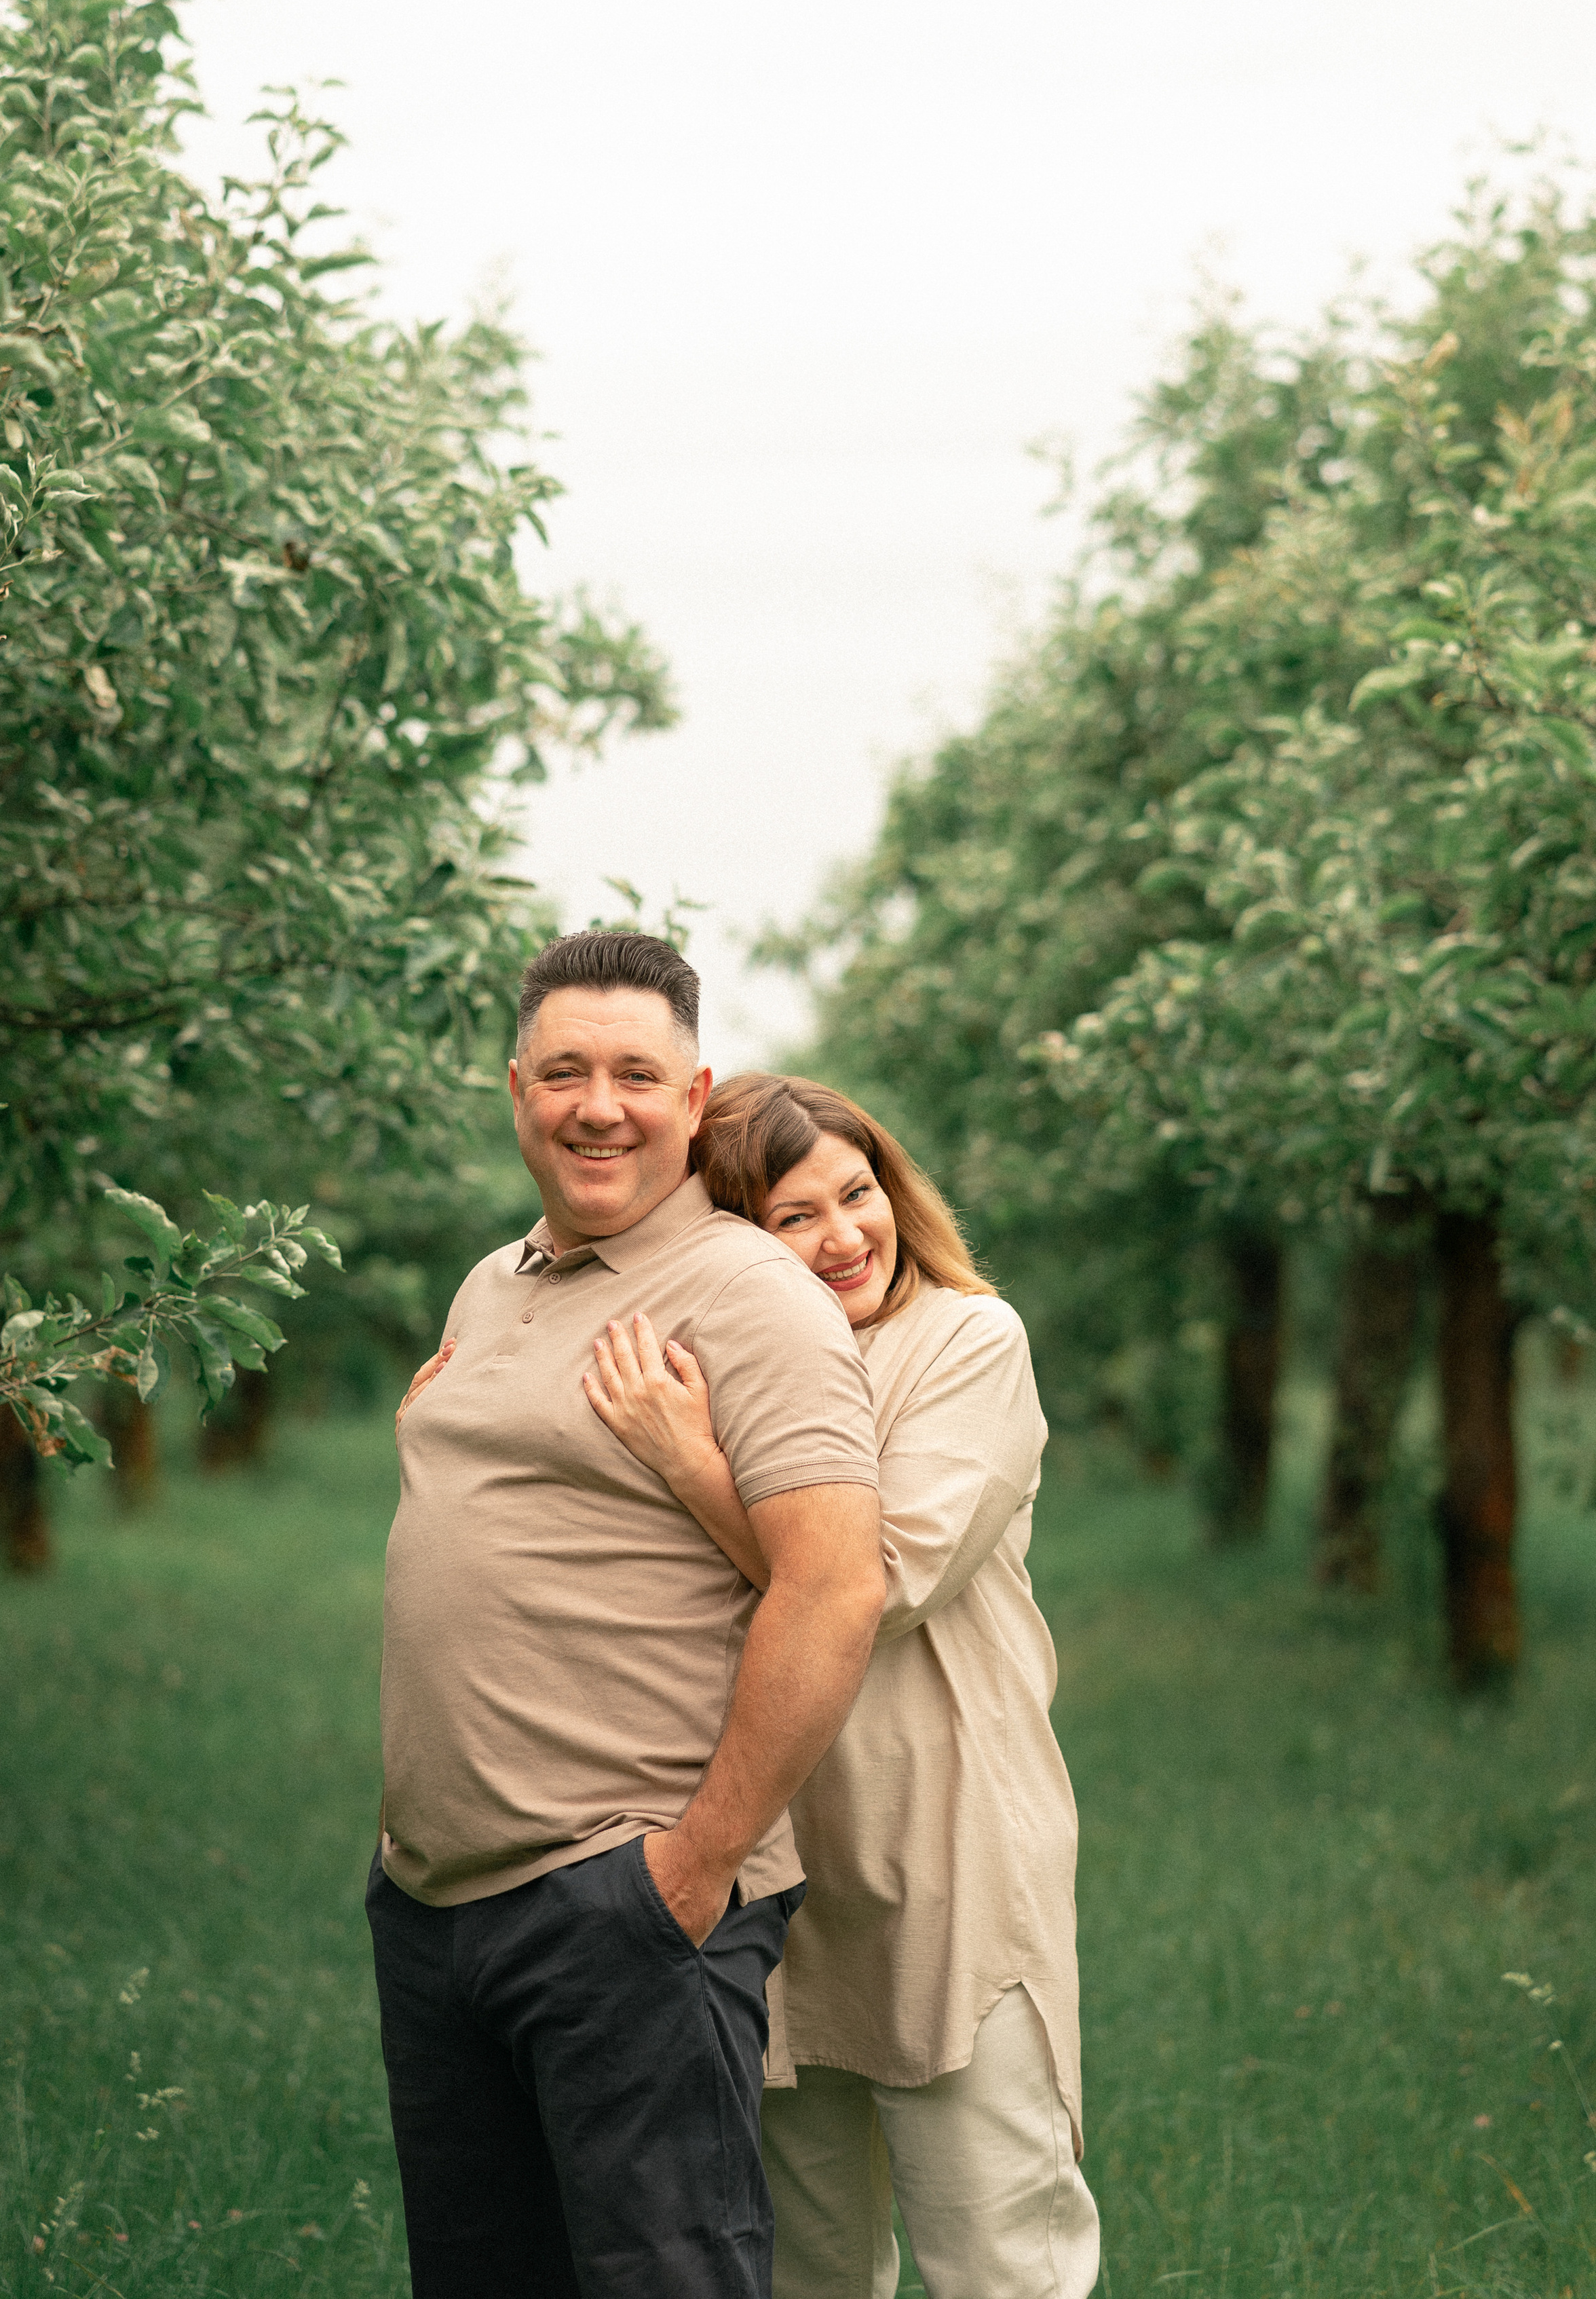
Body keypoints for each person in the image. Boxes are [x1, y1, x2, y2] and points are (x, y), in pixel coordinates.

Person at [375, 937, 886, 2299]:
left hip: (622, 1894)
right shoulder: (494, 1286)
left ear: (691, 1092)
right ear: (514, 1090)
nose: (596, 1104)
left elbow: (836, 1583)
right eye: (563, 1072)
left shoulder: (748, 1294)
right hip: (433, 1903)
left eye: (634, 1075)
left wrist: (690, 1867)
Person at [582, 1072, 1099, 2299]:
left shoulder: (967, 1342)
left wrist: (690, 1461)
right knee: (807, 2270)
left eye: (856, 1194)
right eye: (793, 1218)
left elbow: (876, 1580)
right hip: (768, 1854)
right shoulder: (718, 1363)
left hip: (947, 1851)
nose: (844, 1236)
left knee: (1002, 2260)